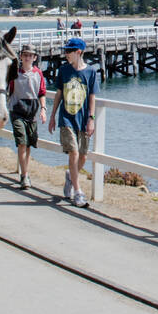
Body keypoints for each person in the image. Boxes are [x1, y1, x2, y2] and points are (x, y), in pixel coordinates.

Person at [47, 37, 97, 208]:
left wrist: (91, 119)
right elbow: (58, 95)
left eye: (69, 51)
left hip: (83, 119)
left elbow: (92, 97)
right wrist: (52, 116)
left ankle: (70, 176)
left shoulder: (91, 72)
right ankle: (78, 192)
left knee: (83, 155)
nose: (65, 54)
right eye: (65, 51)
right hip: (66, 118)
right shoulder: (63, 70)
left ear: (78, 52)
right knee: (74, 153)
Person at [7, 44, 47, 189]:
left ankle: (25, 172)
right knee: (22, 142)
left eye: (30, 55)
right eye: (25, 55)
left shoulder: (38, 73)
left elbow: (42, 92)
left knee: (29, 144)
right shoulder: (14, 73)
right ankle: (24, 176)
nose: (27, 57)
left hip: (32, 111)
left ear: (34, 58)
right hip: (17, 110)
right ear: (21, 57)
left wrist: (43, 109)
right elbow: (8, 90)